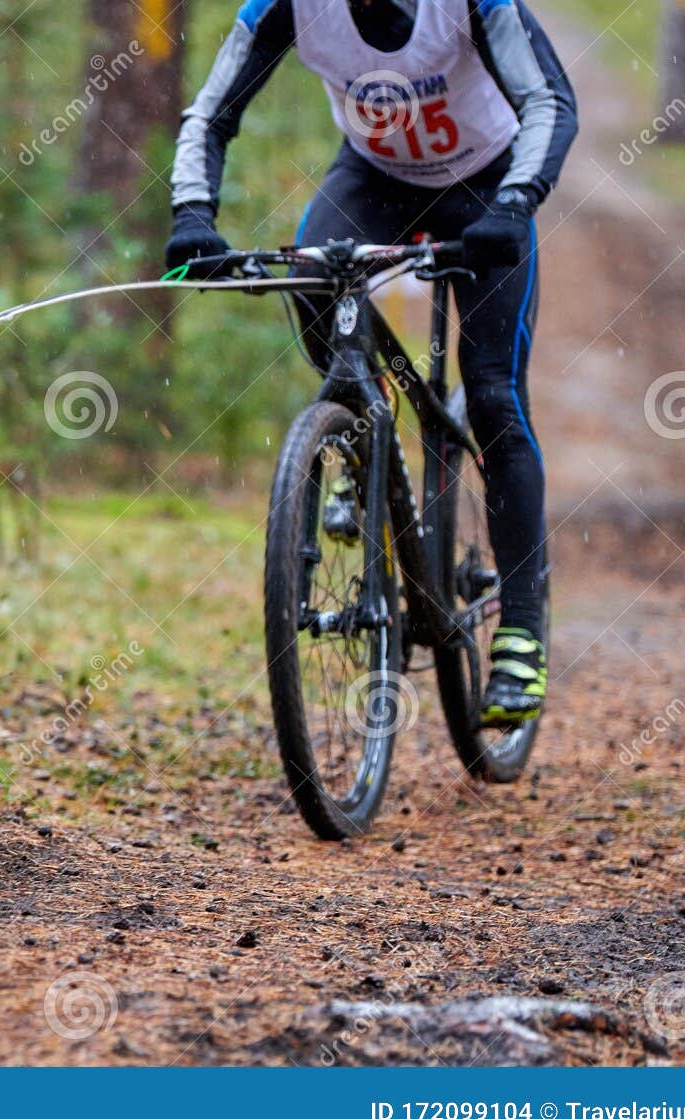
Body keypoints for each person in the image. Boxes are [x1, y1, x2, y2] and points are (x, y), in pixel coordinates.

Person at [166, 0, 577, 725]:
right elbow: (210, 113)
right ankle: (361, 432)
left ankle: (520, 629)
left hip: (489, 182)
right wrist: (194, 215)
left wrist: (517, 203)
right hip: (374, 179)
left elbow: (549, 99)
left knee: (492, 398)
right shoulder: (283, 7)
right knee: (313, 277)